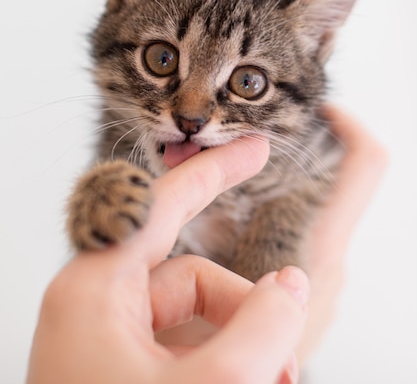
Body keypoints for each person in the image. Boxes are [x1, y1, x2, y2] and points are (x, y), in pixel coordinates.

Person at [25, 106, 387, 384]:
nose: (191, 113)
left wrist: (279, 231)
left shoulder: (295, 159)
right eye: (162, 60)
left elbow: (317, 175)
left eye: (247, 82)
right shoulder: (123, 156)